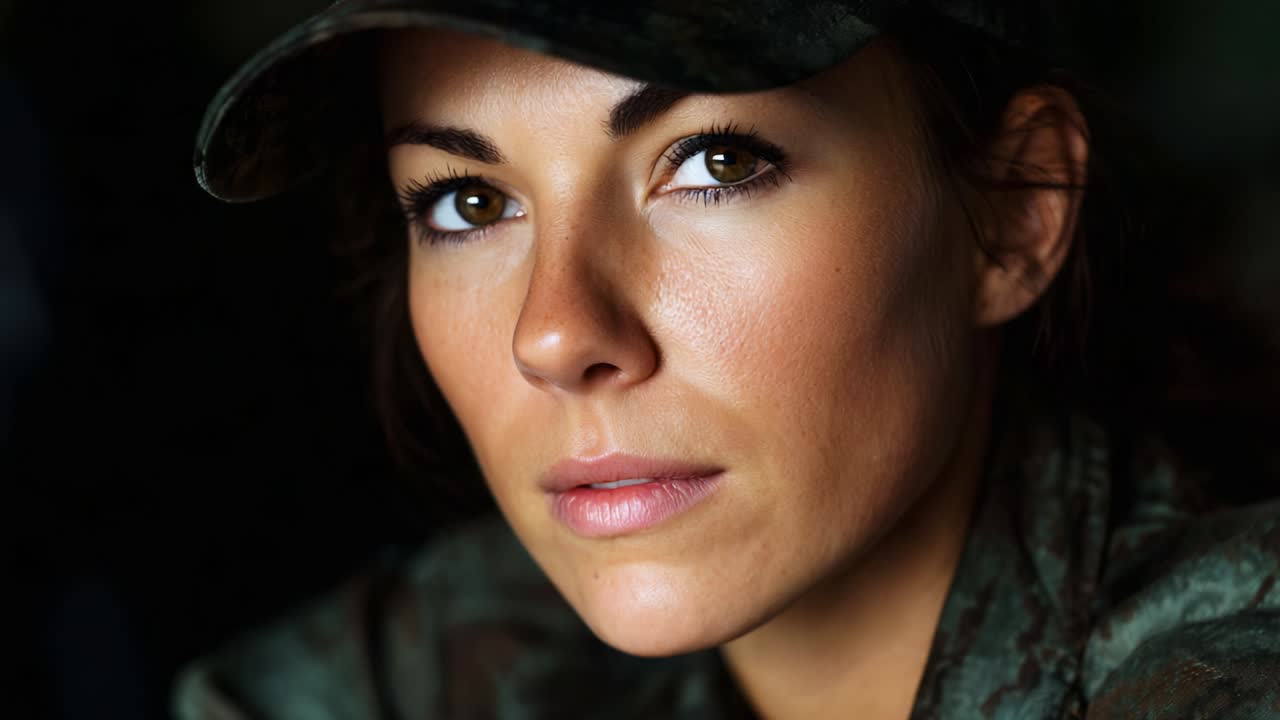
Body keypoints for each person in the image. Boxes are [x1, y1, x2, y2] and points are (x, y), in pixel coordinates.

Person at [175, 2, 1280, 718]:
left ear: (1013, 212)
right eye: (468, 202)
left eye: (710, 162)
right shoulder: (410, 678)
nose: (553, 334)